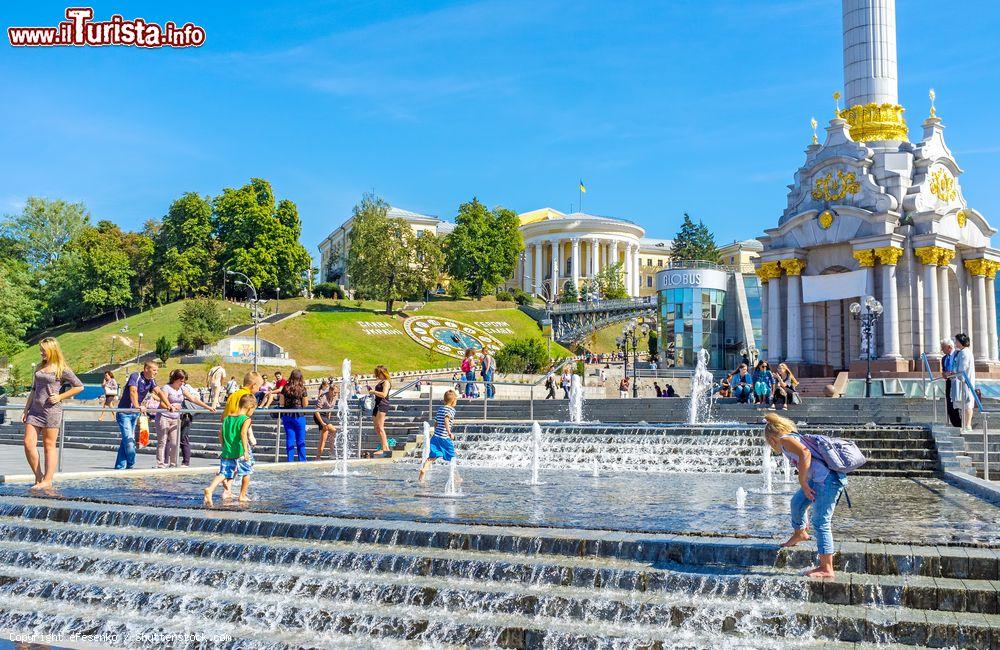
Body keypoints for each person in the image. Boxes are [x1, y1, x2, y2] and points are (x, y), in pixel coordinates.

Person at [764, 412, 846, 579]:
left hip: (827, 481)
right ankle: (800, 533)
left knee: (820, 521)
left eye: (769, 444)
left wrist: (802, 482)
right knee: (797, 503)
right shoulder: (791, 437)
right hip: (817, 481)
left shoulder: (785, 440)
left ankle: (827, 568)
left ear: (772, 440)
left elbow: (805, 453)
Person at [21, 338, 84, 489]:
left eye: (43, 350)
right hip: (35, 411)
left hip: (51, 411)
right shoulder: (39, 367)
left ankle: (48, 480)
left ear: (52, 350)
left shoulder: (62, 369)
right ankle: (38, 476)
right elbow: (34, 390)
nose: (41, 352)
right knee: (28, 443)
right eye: (40, 349)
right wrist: (26, 409)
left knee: (49, 445)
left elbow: (79, 386)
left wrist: (60, 396)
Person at [153, 369, 214, 468]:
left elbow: (193, 399)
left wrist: (207, 407)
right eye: (181, 381)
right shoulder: (166, 388)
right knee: (162, 441)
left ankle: (173, 464)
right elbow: (162, 403)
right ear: (175, 379)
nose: (183, 383)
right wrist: (170, 407)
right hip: (164, 417)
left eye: (183, 381)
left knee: (175, 442)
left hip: (176, 418)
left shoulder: (182, 389)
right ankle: (161, 463)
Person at [203, 393, 255, 507]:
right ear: (250, 407)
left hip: (227, 451)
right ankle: (242, 495)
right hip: (240, 451)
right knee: (247, 472)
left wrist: (224, 446)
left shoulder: (227, 418)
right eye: (253, 410)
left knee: (223, 473)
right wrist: (246, 451)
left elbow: (220, 433)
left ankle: (210, 489)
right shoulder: (246, 419)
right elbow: (243, 434)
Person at [115, 361, 159, 470]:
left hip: (134, 414)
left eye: (156, 370)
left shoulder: (151, 381)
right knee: (129, 442)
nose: (156, 372)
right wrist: (137, 405)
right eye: (154, 370)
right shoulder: (136, 376)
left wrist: (169, 404)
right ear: (146, 369)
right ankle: (131, 463)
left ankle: (120, 467)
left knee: (126, 441)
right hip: (124, 413)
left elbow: (159, 392)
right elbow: (133, 391)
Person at [418, 389, 459, 483]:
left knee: (432, 456)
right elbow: (446, 420)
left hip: (436, 437)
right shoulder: (451, 410)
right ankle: (456, 478)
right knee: (452, 458)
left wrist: (436, 431)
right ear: (453, 401)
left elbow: (436, 423)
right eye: (456, 400)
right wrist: (449, 433)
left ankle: (424, 470)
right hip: (445, 438)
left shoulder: (441, 409)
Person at [279, 369, 309, 462]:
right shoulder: (302, 388)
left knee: (290, 439)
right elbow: (305, 404)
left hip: (287, 415)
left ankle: (290, 460)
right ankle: (302, 461)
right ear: (300, 377)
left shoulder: (285, 387)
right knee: (301, 440)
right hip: (299, 415)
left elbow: (281, 403)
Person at [951, 333, 976, 431]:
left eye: (956, 341)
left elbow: (962, 368)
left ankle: (967, 425)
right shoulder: (966, 352)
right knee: (966, 403)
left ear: (961, 342)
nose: (955, 343)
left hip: (965, 381)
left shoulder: (964, 353)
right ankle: (966, 425)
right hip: (965, 381)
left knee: (967, 404)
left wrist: (954, 373)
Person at [369, 365, 392, 458]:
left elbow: (384, 394)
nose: (377, 375)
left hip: (383, 404)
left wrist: (374, 392)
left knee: (380, 427)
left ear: (382, 373)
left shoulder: (386, 382)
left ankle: (385, 448)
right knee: (377, 427)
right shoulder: (381, 381)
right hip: (377, 404)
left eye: (378, 373)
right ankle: (385, 446)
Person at [314, 380, 340, 460]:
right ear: (330, 390)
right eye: (334, 392)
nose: (336, 394)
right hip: (319, 415)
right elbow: (316, 411)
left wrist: (328, 422)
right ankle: (331, 452)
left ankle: (318, 457)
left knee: (324, 438)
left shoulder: (334, 397)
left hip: (325, 416)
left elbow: (330, 410)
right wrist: (322, 423)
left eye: (337, 393)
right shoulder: (323, 397)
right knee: (334, 431)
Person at [940, 339, 962, 427]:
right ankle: (957, 425)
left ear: (949, 347)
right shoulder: (944, 358)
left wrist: (953, 372)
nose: (942, 350)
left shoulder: (958, 354)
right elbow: (944, 370)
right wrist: (944, 374)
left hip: (958, 381)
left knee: (959, 404)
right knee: (949, 405)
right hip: (949, 382)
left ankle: (962, 424)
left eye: (943, 348)